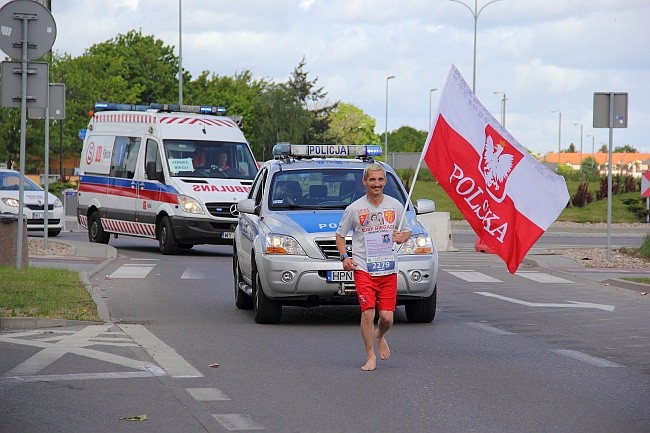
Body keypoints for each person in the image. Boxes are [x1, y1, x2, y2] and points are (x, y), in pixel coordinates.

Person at [335, 162, 412, 371]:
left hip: (388, 269)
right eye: (372, 180)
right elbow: (340, 235)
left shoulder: (395, 205)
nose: (376, 184)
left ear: (385, 182)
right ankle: (370, 356)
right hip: (364, 269)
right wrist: (345, 257)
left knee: (386, 317)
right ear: (365, 182)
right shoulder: (355, 209)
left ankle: (380, 335)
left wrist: (401, 237)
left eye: (379, 180)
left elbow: (407, 232)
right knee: (368, 313)